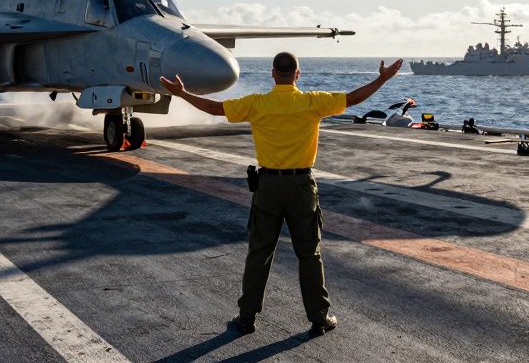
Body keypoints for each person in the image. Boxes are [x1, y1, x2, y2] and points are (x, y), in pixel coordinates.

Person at [160, 52, 403, 337]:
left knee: (259, 253)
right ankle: (319, 318)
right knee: (309, 254)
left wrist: (182, 93)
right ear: (297, 74)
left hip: (268, 187)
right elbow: (352, 99)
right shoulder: (312, 102)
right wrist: (382, 79)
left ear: (273, 73)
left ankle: (247, 317)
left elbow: (216, 109)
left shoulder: (257, 104)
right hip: (302, 186)